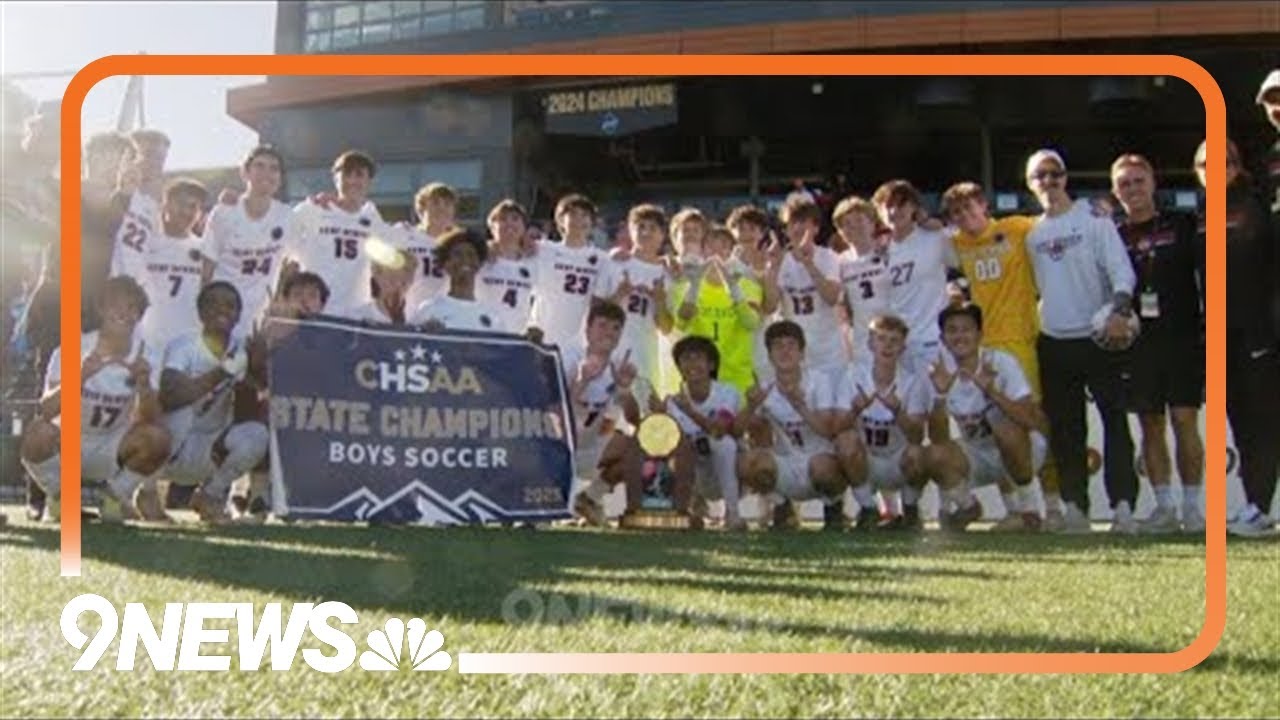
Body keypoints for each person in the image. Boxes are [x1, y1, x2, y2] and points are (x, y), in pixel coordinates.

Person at [1023, 148, 1139, 535]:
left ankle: (1124, 508)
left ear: (1066, 177)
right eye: (1041, 176)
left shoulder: (1093, 218)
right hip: (1054, 341)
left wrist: (1120, 310)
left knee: (1114, 423)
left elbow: (1121, 271)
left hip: (1100, 338)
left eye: (1055, 173)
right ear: (1030, 184)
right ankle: (1075, 508)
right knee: (1067, 429)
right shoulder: (1030, 232)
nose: (1049, 181)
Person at [940, 181, 1067, 529]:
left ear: (984, 205)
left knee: (1034, 423)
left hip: (1020, 342)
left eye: (969, 208)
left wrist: (1094, 209)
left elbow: (1056, 220)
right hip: (981, 346)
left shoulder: (1017, 228)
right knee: (989, 426)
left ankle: (1053, 505)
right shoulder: (956, 244)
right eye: (956, 213)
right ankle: (1015, 509)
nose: (965, 217)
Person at [19, 277, 172, 523]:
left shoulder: (147, 355)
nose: (124, 313)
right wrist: (78, 378)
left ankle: (114, 498)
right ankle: (61, 498)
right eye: (116, 305)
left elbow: (152, 420)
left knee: (159, 439)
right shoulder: (73, 347)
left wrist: (144, 387)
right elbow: (46, 410)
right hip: (68, 444)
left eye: (132, 307)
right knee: (37, 434)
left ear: (140, 315)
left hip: (111, 446)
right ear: (101, 309)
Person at [1109, 154, 1206, 534]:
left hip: (1182, 337)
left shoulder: (1182, 225)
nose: (1133, 189)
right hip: (1138, 344)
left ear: (1153, 183)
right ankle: (1164, 508)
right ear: (1116, 193)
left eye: (1138, 181)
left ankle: (1193, 508)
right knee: (1150, 424)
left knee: (1184, 420)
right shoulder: (1114, 236)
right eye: (1125, 184)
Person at [1196, 139, 1279, 537]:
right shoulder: (1198, 214)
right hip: (1220, 335)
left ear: (1237, 165)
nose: (1215, 169)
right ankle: (1255, 506)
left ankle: (1261, 505)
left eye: (1224, 162)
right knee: (1242, 423)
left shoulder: (1258, 205)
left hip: (1258, 331)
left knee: (1263, 422)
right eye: (1205, 164)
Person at [921, 303, 1050, 533]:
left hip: (1023, 449)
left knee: (1005, 429)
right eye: (952, 330)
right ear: (942, 338)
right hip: (978, 453)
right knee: (932, 453)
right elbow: (938, 438)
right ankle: (968, 506)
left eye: (966, 329)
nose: (959, 336)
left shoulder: (1001, 362)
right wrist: (940, 395)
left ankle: (1028, 512)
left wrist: (992, 392)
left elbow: (1031, 419)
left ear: (979, 334)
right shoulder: (939, 372)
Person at [158, 282, 267, 525]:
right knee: (177, 411)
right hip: (169, 450)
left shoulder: (241, 348)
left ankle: (211, 494)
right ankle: (140, 494)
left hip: (209, 449)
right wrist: (223, 371)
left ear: (239, 315)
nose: (222, 310)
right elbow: (170, 395)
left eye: (230, 306)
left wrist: (259, 366)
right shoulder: (183, 345)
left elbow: (261, 392)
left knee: (258, 435)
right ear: (200, 312)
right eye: (213, 304)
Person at [734, 320, 846, 531]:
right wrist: (750, 407)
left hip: (819, 462)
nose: (785, 352)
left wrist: (800, 406)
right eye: (778, 346)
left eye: (791, 345)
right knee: (747, 462)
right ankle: (781, 506)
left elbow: (829, 430)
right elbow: (736, 431)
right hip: (787, 464)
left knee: (825, 468)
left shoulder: (819, 381)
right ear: (769, 355)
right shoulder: (764, 388)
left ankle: (833, 507)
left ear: (802, 353)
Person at [832, 314, 928, 530]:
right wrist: (856, 409)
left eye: (894, 341)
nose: (887, 346)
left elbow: (917, 436)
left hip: (898, 461)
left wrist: (898, 411)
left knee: (919, 454)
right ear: (870, 343)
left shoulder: (912, 382)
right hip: (867, 462)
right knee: (845, 441)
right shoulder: (853, 377)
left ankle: (910, 510)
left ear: (903, 347)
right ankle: (868, 509)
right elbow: (836, 429)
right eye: (881, 339)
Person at [564, 300, 647, 527]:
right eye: (602, 325)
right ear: (587, 330)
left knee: (640, 447)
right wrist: (581, 382)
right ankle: (547, 504)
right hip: (560, 446)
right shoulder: (567, 357)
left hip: (594, 447)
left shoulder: (621, 366)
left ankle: (590, 498)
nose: (609, 332)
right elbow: (552, 411)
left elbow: (634, 420)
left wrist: (624, 390)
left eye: (616, 328)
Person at [201, 145, 297, 339]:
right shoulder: (224, 213)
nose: (267, 173)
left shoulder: (287, 216)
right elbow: (206, 268)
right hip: (221, 316)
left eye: (274, 168)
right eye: (259, 166)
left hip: (259, 323)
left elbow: (292, 265)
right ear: (245, 173)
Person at [283, 149, 392, 314]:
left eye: (359, 175)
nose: (353, 180)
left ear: (369, 181)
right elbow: (277, 241)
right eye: (347, 174)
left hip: (354, 315)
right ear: (335, 179)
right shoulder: (313, 209)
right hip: (314, 311)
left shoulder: (373, 219)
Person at [873, 179, 958, 375]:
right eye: (888, 206)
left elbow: (968, 250)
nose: (894, 211)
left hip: (932, 341)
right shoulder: (878, 251)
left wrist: (936, 223)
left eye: (901, 204)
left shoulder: (937, 238)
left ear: (914, 207)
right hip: (895, 347)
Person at [670, 223, 762, 399]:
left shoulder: (747, 285)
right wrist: (695, 285)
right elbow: (682, 322)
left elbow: (751, 323)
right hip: (698, 381)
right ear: (703, 250)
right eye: (711, 245)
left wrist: (733, 287)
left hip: (737, 379)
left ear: (731, 251)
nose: (717, 251)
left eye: (724, 246)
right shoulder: (686, 285)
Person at [662, 335, 745, 531]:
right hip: (697, 475)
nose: (692, 364)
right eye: (685, 359)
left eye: (698, 357)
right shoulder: (672, 402)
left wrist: (689, 411)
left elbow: (719, 430)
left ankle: (732, 513)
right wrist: (660, 416)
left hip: (730, 473)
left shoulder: (728, 392)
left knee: (724, 443)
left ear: (711, 365)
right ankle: (688, 508)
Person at [760, 198, 846, 384]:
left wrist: (808, 263)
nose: (797, 227)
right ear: (786, 229)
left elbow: (831, 297)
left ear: (815, 228)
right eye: (792, 222)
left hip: (828, 353)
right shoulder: (779, 260)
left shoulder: (829, 257)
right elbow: (770, 306)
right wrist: (773, 268)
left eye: (803, 221)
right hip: (793, 354)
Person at [596, 203, 674, 392]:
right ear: (630, 231)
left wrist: (660, 301)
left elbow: (666, 328)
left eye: (653, 228)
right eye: (640, 227)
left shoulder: (668, 273)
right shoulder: (612, 263)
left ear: (663, 235)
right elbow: (595, 312)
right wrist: (620, 294)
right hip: (609, 352)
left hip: (645, 356)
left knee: (640, 416)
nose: (646, 233)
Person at [528, 194, 614, 349]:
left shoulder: (602, 259)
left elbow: (598, 302)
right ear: (560, 220)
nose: (579, 220)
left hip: (579, 342)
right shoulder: (543, 249)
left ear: (592, 222)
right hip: (543, 336)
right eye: (572, 214)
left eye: (585, 215)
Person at [131, 179, 208, 352]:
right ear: (165, 205)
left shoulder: (205, 250)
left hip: (187, 345)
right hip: (146, 342)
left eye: (194, 206)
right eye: (181, 204)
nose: (186, 211)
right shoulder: (146, 243)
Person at [833, 195, 891, 366]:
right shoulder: (840, 263)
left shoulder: (891, 252)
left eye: (859, 220)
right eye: (846, 224)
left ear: (873, 223)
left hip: (896, 334)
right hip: (863, 339)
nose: (854, 227)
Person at [410, 227, 502, 332]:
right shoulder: (428, 311)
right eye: (457, 254)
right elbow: (409, 343)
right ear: (445, 264)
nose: (465, 260)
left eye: (471, 255)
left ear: (479, 264)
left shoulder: (493, 316)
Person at [474, 199, 539, 336]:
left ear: (524, 227)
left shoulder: (534, 261)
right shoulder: (480, 257)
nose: (509, 223)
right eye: (502, 219)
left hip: (516, 337)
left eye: (515, 219)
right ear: (492, 228)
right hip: (481, 333)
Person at [345, 246, 419, 325]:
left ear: (412, 280)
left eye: (403, 282)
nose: (398, 285)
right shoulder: (355, 318)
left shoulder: (418, 320)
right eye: (392, 280)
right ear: (377, 276)